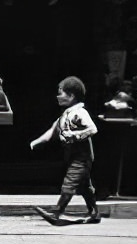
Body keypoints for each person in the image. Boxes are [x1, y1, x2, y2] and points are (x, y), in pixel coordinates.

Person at [30, 75, 100, 225]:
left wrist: (74, 135)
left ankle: (57, 212)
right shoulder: (66, 114)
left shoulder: (79, 113)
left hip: (82, 156)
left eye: (61, 93)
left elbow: (92, 129)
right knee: (85, 187)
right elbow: (52, 131)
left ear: (71, 96)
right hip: (72, 155)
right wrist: (37, 141)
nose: (58, 96)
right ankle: (94, 213)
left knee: (70, 183)